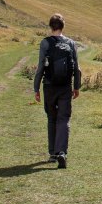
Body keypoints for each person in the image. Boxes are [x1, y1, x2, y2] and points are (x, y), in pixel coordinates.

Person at [33, 13, 81, 168]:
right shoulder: (71, 43)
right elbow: (77, 69)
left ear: (50, 26)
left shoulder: (45, 43)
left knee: (52, 118)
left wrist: (36, 88)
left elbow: (41, 66)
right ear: (62, 26)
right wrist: (76, 87)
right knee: (64, 119)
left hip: (49, 86)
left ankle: (53, 153)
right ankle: (62, 152)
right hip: (66, 87)